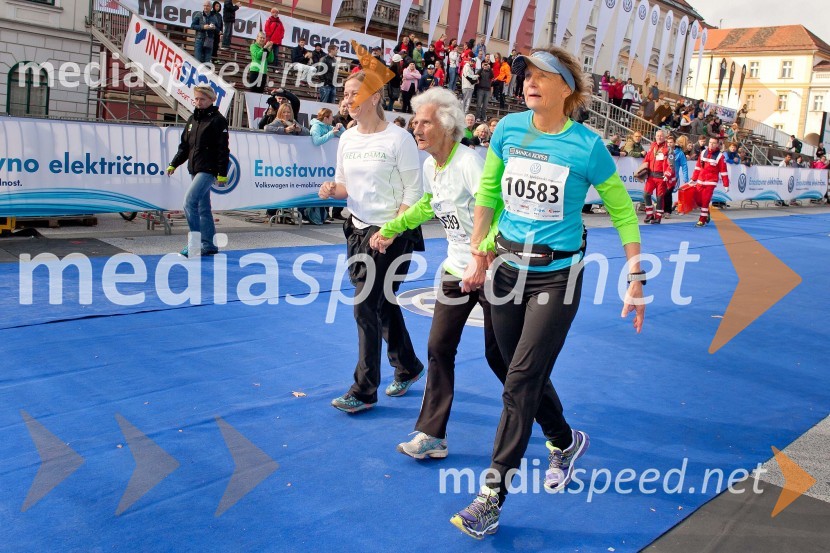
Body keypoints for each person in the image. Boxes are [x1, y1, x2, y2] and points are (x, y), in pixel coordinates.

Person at [451, 46, 644, 539]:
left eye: (543, 75)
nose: (530, 82)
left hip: (557, 277)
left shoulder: (587, 146)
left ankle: (491, 497)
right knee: (503, 362)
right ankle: (563, 438)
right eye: (526, 75)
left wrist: (636, 276)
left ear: (567, 89)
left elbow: (622, 210)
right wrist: (479, 250)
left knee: (520, 381)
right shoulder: (509, 131)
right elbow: (489, 192)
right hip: (505, 266)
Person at [317, 71, 425, 413]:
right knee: (383, 303)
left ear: (375, 97)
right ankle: (408, 365)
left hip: (392, 232)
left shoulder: (398, 139)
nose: (346, 101)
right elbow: (345, 186)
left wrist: (391, 229)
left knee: (365, 305)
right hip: (357, 229)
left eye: (353, 94)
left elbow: (415, 193)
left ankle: (364, 390)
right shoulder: (347, 138)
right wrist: (333, 190)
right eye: (344, 95)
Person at [167, 85, 229, 257]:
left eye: (202, 99)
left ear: (211, 100)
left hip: (209, 169)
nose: (198, 102)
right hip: (195, 167)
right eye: (196, 99)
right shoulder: (192, 120)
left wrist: (222, 173)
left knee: (189, 202)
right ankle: (209, 244)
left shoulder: (218, 120)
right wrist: (174, 163)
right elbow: (185, 146)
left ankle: (195, 243)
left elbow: (223, 149)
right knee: (203, 208)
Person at [688, 137, 729, 227]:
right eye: (710, 142)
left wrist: (726, 184)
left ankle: (702, 220)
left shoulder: (720, 156)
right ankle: (707, 212)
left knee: (705, 201)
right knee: (698, 201)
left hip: (711, 183)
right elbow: (698, 167)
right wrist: (693, 179)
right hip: (700, 181)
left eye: (714, 143)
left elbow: (723, 171)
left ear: (718, 144)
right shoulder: (703, 153)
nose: (711, 144)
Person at [641, 129, 671, 224]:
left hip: (661, 177)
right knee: (646, 194)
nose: (659, 137)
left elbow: (671, 164)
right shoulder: (652, 146)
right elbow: (647, 158)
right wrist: (643, 169)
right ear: (655, 136)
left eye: (661, 136)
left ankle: (658, 216)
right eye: (658, 136)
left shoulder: (668, 149)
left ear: (665, 137)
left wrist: (667, 174)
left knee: (659, 198)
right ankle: (649, 214)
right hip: (651, 176)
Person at [663, 134, 688, 217]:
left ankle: (668, 212)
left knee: (668, 193)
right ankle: (662, 210)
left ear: (674, 143)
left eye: (671, 142)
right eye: (668, 142)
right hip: (663, 176)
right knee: (662, 194)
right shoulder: (664, 151)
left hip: (674, 178)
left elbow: (684, 165)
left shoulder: (680, 153)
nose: (669, 144)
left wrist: (686, 178)